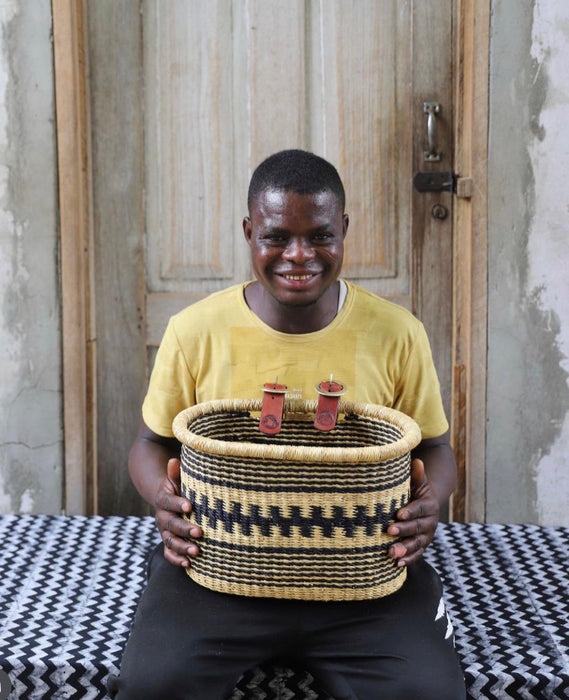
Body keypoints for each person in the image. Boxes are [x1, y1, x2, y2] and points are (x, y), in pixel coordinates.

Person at [109, 149, 466, 699]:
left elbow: (437, 447)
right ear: (250, 231)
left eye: (320, 235)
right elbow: (148, 443)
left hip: (365, 575)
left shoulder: (398, 333)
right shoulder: (194, 331)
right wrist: (163, 496)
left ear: (344, 229)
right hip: (220, 570)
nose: (298, 255)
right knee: (153, 685)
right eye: (276, 237)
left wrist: (430, 502)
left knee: (427, 692)